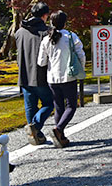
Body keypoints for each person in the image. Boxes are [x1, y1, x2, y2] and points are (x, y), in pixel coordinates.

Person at [37, 10, 85, 148]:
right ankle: (58, 129)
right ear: (65, 22)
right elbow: (81, 55)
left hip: (52, 77)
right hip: (68, 76)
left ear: (51, 22)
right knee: (71, 105)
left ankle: (61, 137)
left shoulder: (46, 39)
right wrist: (80, 68)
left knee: (59, 107)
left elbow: (41, 62)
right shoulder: (71, 36)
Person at [15, 1, 53, 145]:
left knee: (30, 106)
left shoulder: (19, 32)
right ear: (45, 15)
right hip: (41, 75)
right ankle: (35, 127)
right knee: (50, 103)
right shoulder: (47, 32)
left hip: (24, 74)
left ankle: (35, 135)